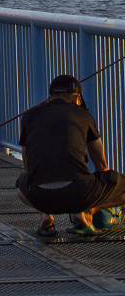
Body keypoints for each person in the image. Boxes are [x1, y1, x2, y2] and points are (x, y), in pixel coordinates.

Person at [16, 74, 125, 237]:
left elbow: (27, 165)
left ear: (49, 97)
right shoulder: (84, 115)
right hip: (80, 192)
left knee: (20, 187)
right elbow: (101, 165)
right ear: (77, 98)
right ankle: (85, 213)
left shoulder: (29, 116)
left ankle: (45, 215)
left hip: (40, 195)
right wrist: (99, 195)